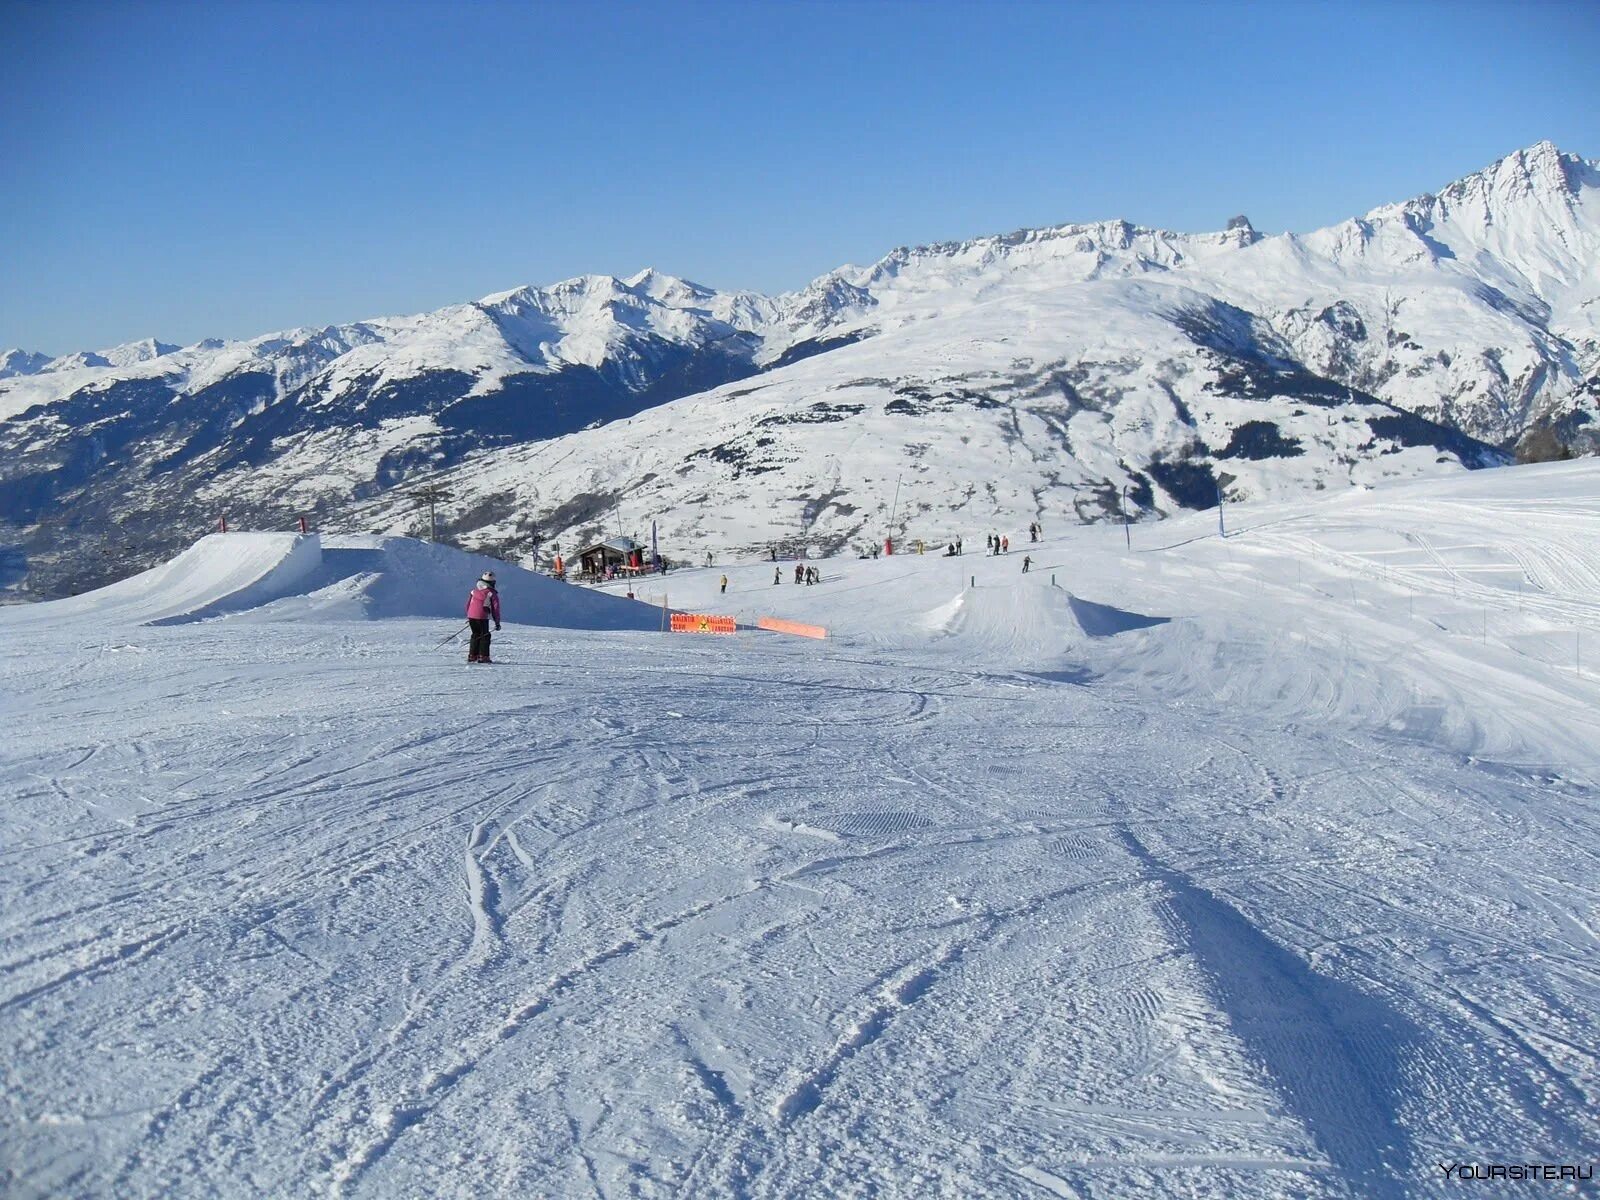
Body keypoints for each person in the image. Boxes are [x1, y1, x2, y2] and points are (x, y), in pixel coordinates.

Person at [465, 571, 501, 664]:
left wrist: (469, 616)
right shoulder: (491, 593)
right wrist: (497, 622)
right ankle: (483, 656)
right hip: (482, 616)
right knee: (485, 635)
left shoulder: (474, 591)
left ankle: (472, 655)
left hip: (471, 616)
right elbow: (495, 609)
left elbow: (468, 604)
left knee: (475, 634)